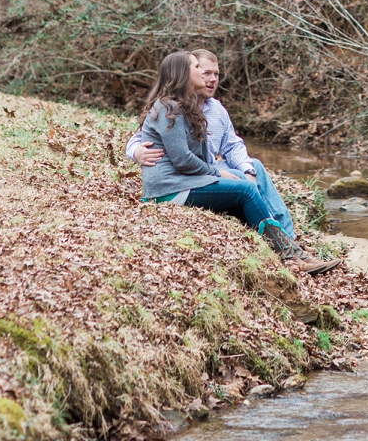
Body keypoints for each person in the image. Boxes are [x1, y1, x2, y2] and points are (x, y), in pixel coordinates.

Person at [128, 51, 339, 274]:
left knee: (248, 177)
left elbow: (229, 146)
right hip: (170, 187)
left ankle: (290, 247)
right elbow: (181, 159)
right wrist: (215, 173)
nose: (206, 75)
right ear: (183, 73)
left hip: (185, 179)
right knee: (246, 191)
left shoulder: (190, 107)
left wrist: (238, 170)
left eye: (212, 72)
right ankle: (289, 255)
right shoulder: (167, 109)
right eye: (198, 68)